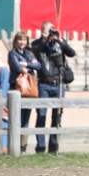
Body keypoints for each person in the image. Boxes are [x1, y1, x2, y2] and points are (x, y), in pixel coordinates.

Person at [31, 21, 75, 155]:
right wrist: (46, 40)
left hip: (58, 83)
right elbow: (37, 50)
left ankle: (53, 147)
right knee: (41, 114)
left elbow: (72, 53)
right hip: (43, 83)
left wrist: (60, 41)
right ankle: (40, 147)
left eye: (52, 30)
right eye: (48, 30)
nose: (51, 33)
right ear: (42, 30)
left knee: (57, 116)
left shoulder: (59, 43)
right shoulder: (36, 44)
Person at [8, 31, 41, 153]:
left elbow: (39, 66)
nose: (22, 42)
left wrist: (26, 64)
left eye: (24, 40)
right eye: (19, 40)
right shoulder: (12, 53)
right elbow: (16, 67)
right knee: (16, 118)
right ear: (15, 41)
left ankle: (23, 147)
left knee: (26, 119)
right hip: (16, 89)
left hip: (29, 89)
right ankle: (14, 147)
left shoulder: (29, 53)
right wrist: (29, 65)